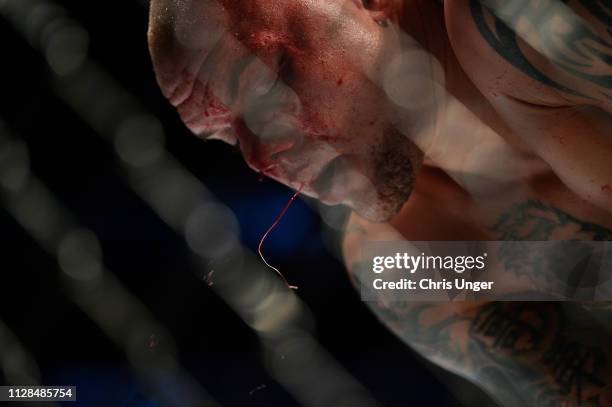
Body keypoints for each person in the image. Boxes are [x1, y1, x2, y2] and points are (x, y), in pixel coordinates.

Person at [148, 1, 612, 405]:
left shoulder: (514, 24)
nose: (263, 157)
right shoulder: (408, 260)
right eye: (229, 136)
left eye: (268, 88)